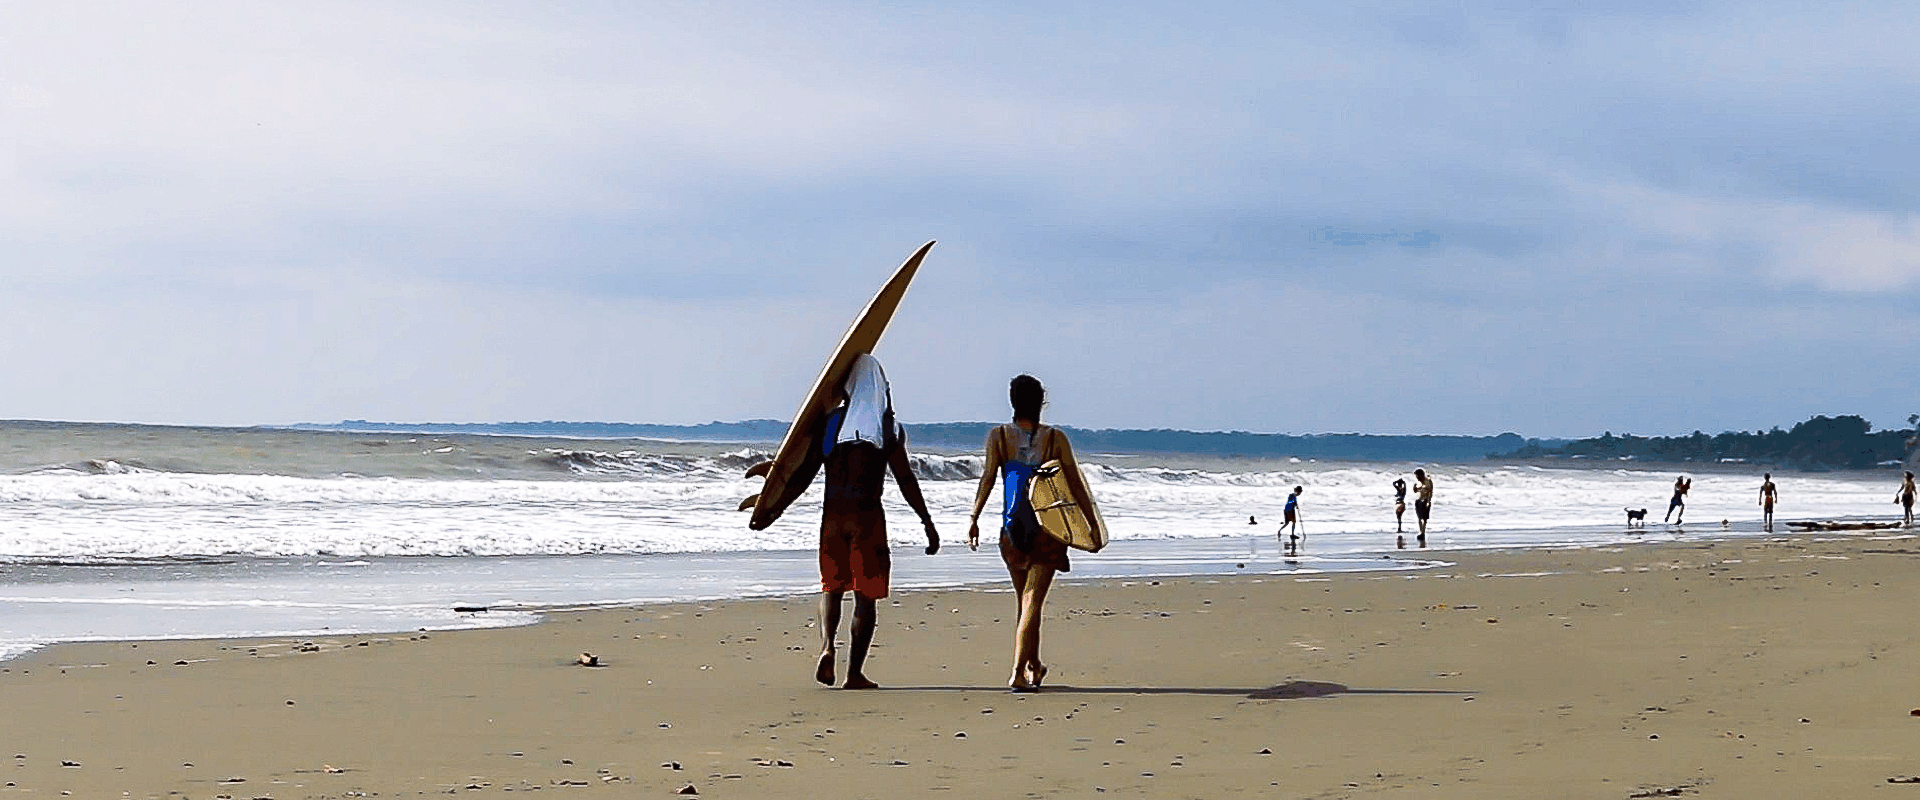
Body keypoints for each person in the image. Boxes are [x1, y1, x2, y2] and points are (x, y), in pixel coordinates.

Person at [756, 354, 939, 689]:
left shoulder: (831, 424)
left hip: (832, 521)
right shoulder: (888, 429)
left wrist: (774, 508)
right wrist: (927, 522)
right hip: (867, 521)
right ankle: (854, 673)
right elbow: (906, 479)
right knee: (864, 599)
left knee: (832, 589)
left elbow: (803, 475)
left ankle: (827, 647)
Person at [967, 375, 1095, 693]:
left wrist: (974, 517)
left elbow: (987, 479)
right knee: (1032, 602)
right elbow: (1075, 484)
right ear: (1041, 402)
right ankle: (1017, 672)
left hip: (1011, 530)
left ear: (1012, 402)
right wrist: (1090, 524)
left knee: (1025, 603)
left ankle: (1033, 664)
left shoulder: (998, 436)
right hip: (1046, 530)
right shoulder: (1055, 439)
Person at [1277, 485, 1304, 554]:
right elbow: (1291, 502)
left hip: (1286, 509)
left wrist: (1296, 505)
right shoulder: (1293, 495)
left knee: (1287, 523)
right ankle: (1292, 534)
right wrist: (1295, 504)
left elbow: (1290, 502)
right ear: (1298, 491)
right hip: (1290, 510)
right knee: (1293, 522)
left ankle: (1279, 531)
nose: (1300, 494)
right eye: (1300, 492)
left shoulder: (1291, 495)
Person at [1411, 468, 1434, 547]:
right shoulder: (1418, 482)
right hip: (1418, 500)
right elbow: (1416, 491)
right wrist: (1415, 489)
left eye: (1417, 476)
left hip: (1425, 500)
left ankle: (1423, 532)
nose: (1417, 477)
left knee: (1424, 518)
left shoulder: (1428, 481)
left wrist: (1428, 501)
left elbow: (1430, 492)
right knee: (1419, 517)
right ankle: (1421, 531)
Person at [1392, 477, 1409, 546]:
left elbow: (1394, 484)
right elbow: (1394, 484)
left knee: (1399, 516)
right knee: (1399, 516)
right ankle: (1399, 528)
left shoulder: (1401, 490)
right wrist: (1401, 482)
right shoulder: (1401, 490)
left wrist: (1400, 482)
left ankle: (1399, 528)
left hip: (1400, 504)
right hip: (1400, 504)